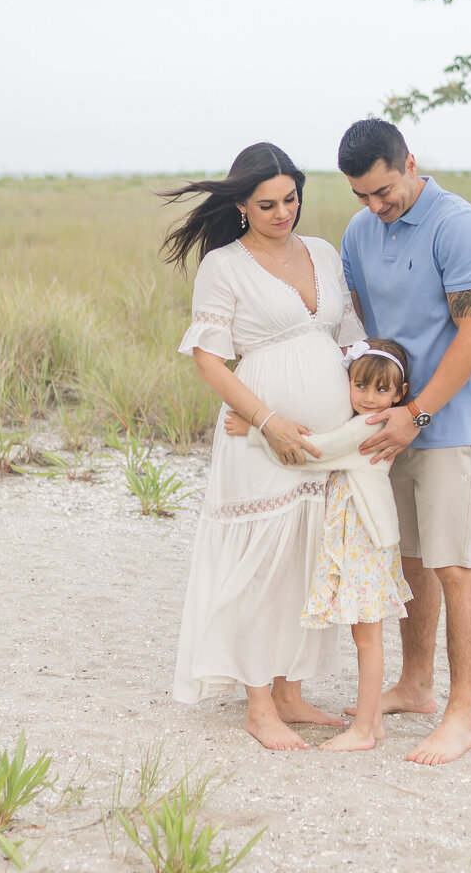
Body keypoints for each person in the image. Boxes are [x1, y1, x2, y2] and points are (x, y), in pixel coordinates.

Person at [160, 141, 366, 751]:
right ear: (243, 205)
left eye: (291, 200)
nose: (283, 213)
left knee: (306, 560)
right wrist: (266, 419)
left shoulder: (323, 252)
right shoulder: (224, 265)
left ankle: (290, 692)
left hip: (325, 445)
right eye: (268, 204)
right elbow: (207, 359)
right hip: (259, 438)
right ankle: (257, 706)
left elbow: (349, 333)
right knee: (261, 564)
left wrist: (359, 409)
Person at [337, 118, 471, 766]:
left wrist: (419, 414)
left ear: (408, 161)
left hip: (448, 425)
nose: (376, 207)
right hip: (388, 426)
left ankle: (461, 717)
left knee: (454, 563)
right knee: (408, 559)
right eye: (362, 197)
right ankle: (415, 685)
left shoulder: (458, 225)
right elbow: (362, 326)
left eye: (384, 191)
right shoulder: (358, 232)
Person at [227, 338, 413, 751]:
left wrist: (256, 431)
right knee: (365, 636)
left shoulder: (373, 426)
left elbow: (317, 452)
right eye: (360, 385)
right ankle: (371, 725)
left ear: (400, 394)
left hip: (365, 541)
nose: (369, 398)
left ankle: (364, 730)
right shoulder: (365, 419)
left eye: (382, 390)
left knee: (367, 638)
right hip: (358, 537)